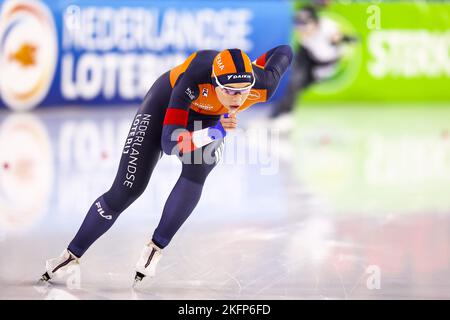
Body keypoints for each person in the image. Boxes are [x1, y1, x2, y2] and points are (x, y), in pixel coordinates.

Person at [40, 45, 293, 285]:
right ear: (215, 83)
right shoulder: (194, 78)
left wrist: (253, 66)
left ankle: (156, 247)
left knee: (197, 171)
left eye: (243, 89)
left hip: (206, 120)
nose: (237, 98)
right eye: (229, 90)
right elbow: (170, 143)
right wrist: (214, 132)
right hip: (164, 107)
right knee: (127, 189)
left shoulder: (263, 84)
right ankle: (71, 255)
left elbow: (285, 50)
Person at [269, 6, 357, 128]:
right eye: (298, 25)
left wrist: (346, 39)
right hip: (306, 55)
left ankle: (279, 114)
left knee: (299, 86)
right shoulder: (303, 34)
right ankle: (280, 116)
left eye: (304, 24)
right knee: (293, 83)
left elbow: (344, 39)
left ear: (315, 22)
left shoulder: (329, 28)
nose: (301, 29)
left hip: (323, 65)